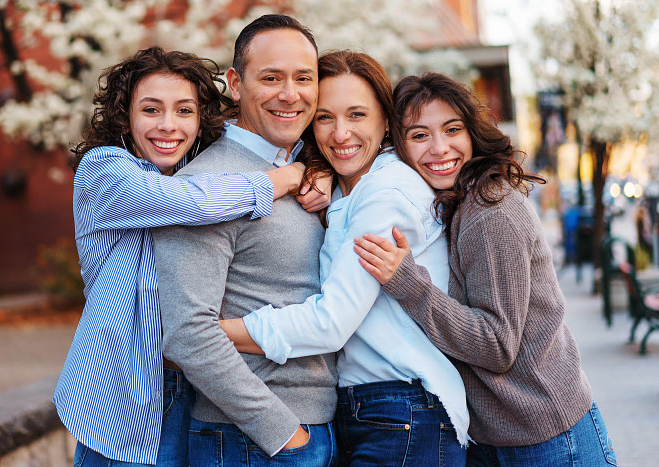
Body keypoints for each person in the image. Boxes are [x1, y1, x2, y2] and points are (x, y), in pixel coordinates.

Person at [54, 46, 329, 467]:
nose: (168, 126)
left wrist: (315, 166)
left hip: (193, 389)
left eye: (184, 111)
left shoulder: (202, 170)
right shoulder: (105, 171)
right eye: (151, 110)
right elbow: (187, 200)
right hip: (125, 393)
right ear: (125, 116)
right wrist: (289, 176)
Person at [353, 72, 616, 466]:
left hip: (548, 440)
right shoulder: (455, 201)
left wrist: (410, 285)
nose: (439, 148)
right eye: (419, 135)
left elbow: (497, 345)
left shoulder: (489, 210)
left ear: (472, 132)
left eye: (452, 129)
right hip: (500, 438)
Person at [220, 51, 469, 466]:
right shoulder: (346, 186)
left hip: (406, 409)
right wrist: (313, 168)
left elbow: (330, 323)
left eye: (357, 115)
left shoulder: (387, 194)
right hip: (370, 409)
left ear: (386, 121)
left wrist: (211, 333)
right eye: (324, 117)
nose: (340, 134)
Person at [152, 15, 337, 466]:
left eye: (303, 78)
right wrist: (283, 434)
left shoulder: (303, 168)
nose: (290, 94)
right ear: (235, 84)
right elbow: (184, 332)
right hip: (248, 440)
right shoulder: (206, 188)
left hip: (312, 427)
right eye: (271, 78)